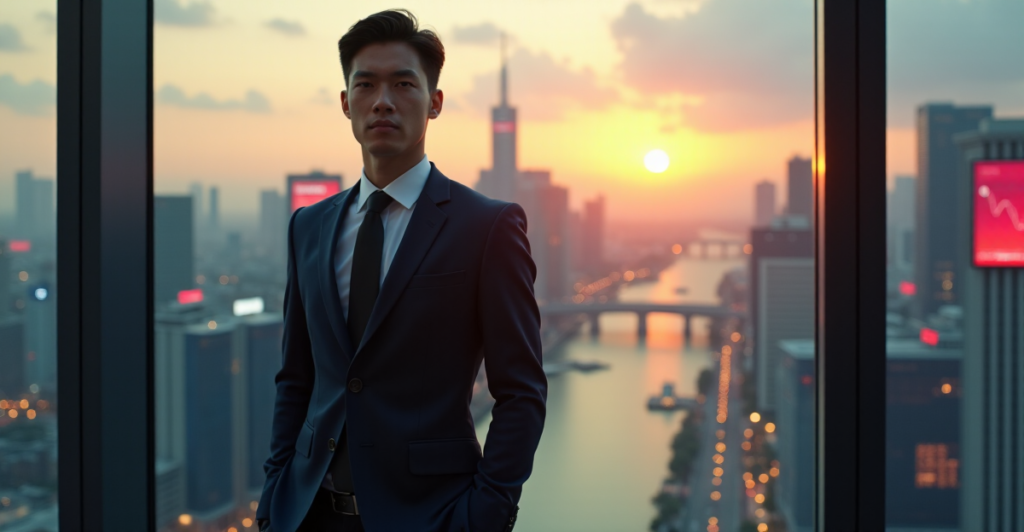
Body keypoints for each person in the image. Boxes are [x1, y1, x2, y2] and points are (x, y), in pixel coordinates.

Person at [255, 9, 547, 532]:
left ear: (434, 103)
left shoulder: (487, 226)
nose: (382, 101)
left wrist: (486, 513)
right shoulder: (309, 226)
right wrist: (274, 498)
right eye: (365, 84)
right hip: (307, 515)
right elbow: (296, 378)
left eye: (403, 84)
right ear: (346, 104)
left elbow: (521, 391)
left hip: (432, 517)